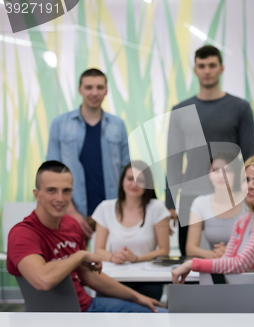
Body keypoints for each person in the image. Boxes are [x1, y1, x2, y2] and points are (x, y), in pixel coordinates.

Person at [7, 161, 167, 313]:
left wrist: (137, 298)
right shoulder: (22, 234)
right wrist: (80, 255)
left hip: (88, 305)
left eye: (66, 191)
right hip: (60, 317)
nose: (60, 199)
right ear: (37, 194)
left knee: (162, 314)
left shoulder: (71, 225)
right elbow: (43, 280)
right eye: (51, 190)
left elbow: (88, 275)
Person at [166, 45, 254, 256]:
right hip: (190, 196)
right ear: (195, 69)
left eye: (212, 65)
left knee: (235, 258)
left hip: (230, 198)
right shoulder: (180, 110)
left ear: (221, 68)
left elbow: (250, 158)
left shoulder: (240, 108)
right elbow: (173, 160)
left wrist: (250, 194)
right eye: (202, 66)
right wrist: (170, 203)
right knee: (190, 261)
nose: (207, 70)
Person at [172, 155, 254, 282]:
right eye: (246, 180)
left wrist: (192, 264)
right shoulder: (243, 221)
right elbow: (227, 261)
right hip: (252, 294)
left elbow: (240, 263)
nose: (250, 185)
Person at [47, 68, 130, 239]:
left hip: (110, 212)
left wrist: (124, 210)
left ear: (106, 90)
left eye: (99, 87)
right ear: (80, 89)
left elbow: (125, 170)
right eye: (89, 87)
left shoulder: (118, 125)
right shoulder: (60, 124)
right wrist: (70, 211)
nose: (94, 93)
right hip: (71, 211)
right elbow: (51, 172)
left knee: (110, 263)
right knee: (72, 263)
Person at [92, 161, 171, 300]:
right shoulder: (105, 208)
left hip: (147, 280)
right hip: (113, 278)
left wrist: (136, 259)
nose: (134, 184)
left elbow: (164, 251)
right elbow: (98, 250)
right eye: (130, 178)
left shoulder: (157, 208)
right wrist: (112, 257)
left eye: (141, 180)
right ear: (122, 181)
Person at [186, 153, 248, 259]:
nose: (221, 175)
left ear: (237, 174)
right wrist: (215, 254)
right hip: (215, 266)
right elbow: (190, 249)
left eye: (227, 171)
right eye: (216, 170)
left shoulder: (248, 201)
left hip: (246, 265)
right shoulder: (200, 203)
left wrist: (228, 253)